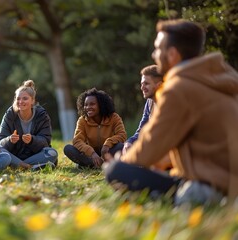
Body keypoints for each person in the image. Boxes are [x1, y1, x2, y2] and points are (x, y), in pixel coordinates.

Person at [104, 19, 238, 205]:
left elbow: (152, 144)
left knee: (116, 171)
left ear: (173, 54)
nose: (154, 54)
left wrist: (122, 161)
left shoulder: (178, 88)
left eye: (158, 49)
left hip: (210, 187)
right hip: (227, 180)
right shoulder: (222, 80)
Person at [0, 80, 58, 169]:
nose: (21, 101)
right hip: (15, 155)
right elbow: (0, 142)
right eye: (18, 98)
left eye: (25, 98)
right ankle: (30, 167)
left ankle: (18, 165)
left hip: (34, 155)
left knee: (52, 153)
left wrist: (32, 140)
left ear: (32, 100)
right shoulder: (9, 115)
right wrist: (9, 140)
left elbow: (46, 141)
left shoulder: (42, 115)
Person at [63, 88, 127, 168]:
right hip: (90, 155)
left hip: (108, 151)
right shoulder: (82, 120)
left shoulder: (114, 118)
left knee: (121, 146)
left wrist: (107, 144)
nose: (88, 107)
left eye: (92, 104)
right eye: (86, 105)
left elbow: (122, 135)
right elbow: (77, 141)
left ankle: (92, 164)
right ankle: (93, 163)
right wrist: (92, 153)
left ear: (101, 105)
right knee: (68, 149)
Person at [122, 65, 163, 155]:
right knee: (121, 147)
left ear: (159, 85)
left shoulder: (169, 103)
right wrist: (129, 143)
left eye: (146, 84)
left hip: (167, 150)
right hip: (153, 147)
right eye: (141, 84)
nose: (142, 87)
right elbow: (141, 130)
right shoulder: (149, 102)